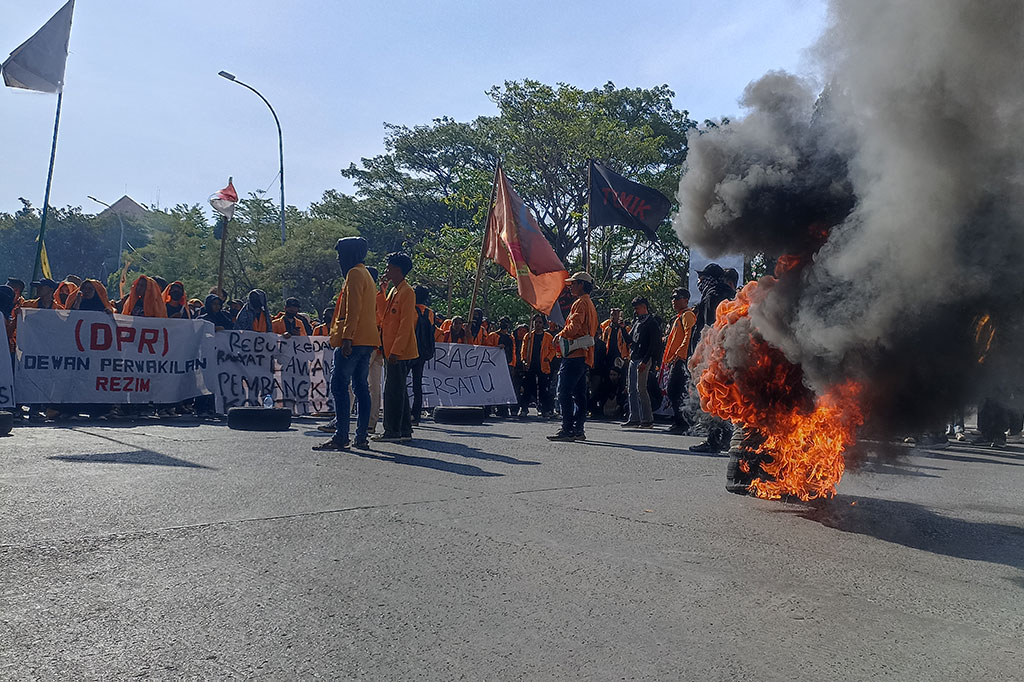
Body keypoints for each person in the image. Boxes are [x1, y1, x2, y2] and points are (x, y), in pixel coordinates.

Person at [313, 237, 377, 451]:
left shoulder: (354, 274)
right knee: (361, 388)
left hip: (354, 339)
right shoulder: (366, 273)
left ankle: (341, 436)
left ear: (349, 254)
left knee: (339, 386)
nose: (338, 258)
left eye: (340, 253)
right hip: (367, 339)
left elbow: (354, 309)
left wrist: (347, 338)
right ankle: (360, 437)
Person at [689, 263, 737, 453]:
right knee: (721, 396)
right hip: (729, 354)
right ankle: (724, 437)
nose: (699, 281)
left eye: (702, 278)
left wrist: (701, 357)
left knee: (711, 396)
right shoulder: (728, 294)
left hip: (713, 355)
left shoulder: (712, 295)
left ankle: (714, 440)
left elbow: (709, 329)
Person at [548, 272, 598, 442]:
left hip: (574, 354)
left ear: (582, 284)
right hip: (584, 354)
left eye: (574, 283)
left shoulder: (580, 303)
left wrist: (560, 334)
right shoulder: (589, 303)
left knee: (563, 392)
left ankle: (567, 428)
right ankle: (578, 429)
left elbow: (574, 327)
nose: (571, 287)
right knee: (579, 394)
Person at [375, 252, 418, 442]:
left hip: (398, 351)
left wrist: (396, 351)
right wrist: (382, 291)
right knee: (398, 389)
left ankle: (392, 430)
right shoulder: (394, 290)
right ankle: (404, 430)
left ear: (398, 270)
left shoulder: (408, 292)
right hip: (389, 347)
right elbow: (383, 315)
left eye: (389, 267)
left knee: (392, 391)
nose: (386, 270)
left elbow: (406, 324)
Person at [623, 296, 661, 429]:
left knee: (641, 389)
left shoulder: (652, 323)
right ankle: (634, 417)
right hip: (634, 357)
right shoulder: (637, 323)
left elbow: (654, 344)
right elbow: (630, 341)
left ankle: (647, 419)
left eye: (637, 308)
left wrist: (646, 361)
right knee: (631, 389)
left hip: (644, 358)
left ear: (644, 307)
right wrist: (622, 328)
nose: (636, 311)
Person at [663, 287, 697, 434]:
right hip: (675, 359)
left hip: (681, 359)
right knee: (675, 391)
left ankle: (682, 423)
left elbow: (689, 336)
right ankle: (679, 422)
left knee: (674, 390)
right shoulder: (679, 317)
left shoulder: (687, 315)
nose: (673, 301)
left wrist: (680, 355)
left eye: (677, 298)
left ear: (686, 300)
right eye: (672, 298)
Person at [519, 313, 556, 418]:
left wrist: (548, 358)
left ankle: (545, 409)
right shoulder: (529, 336)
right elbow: (524, 350)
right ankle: (524, 409)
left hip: (543, 366)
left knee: (544, 388)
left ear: (543, 324)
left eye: (540, 322)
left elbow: (553, 349)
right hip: (530, 365)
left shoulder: (548, 337)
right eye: (536, 322)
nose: (538, 324)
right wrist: (524, 360)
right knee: (527, 388)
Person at [411, 285, 435, 425]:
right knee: (417, 384)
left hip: (409, 349)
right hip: (422, 352)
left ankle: (404, 414)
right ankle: (416, 415)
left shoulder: (410, 309)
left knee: (401, 382)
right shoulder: (430, 313)